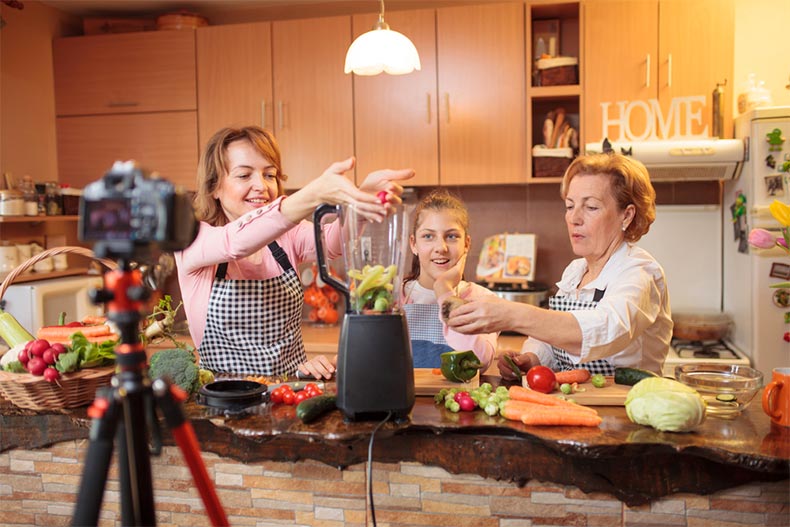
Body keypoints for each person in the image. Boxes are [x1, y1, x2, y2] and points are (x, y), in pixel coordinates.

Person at [175, 126, 413, 379]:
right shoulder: (194, 239)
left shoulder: (287, 235)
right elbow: (236, 242)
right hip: (224, 399)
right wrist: (312, 194)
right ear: (214, 187)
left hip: (288, 394)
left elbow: (331, 243)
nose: (261, 186)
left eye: (269, 175)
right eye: (244, 175)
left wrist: (360, 200)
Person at [444, 153, 672, 378]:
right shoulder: (575, 271)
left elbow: (605, 330)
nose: (574, 218)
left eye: (591, 207)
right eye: (570, 206)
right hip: (576, 402)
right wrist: (533, 359)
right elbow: (554, 338)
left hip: (627, 406)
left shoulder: (640, 272)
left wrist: (511, 314)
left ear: (627, 216)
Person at [402, 189, 498, 370]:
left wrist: (444, 291)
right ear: (414, 244)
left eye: (452, 236)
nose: (441, 247)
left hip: (458, 399)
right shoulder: (394, 297)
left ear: (467, 244)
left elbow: (479, 361)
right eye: (428, 236)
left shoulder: (484, 299)